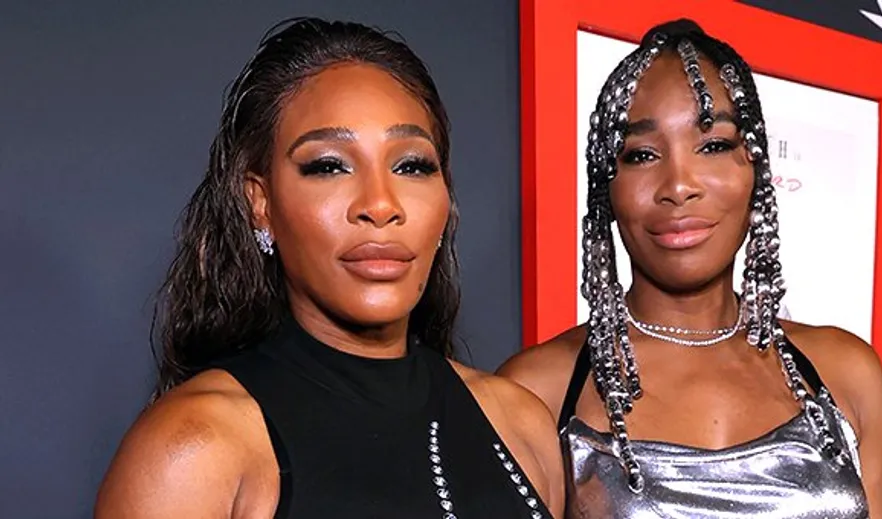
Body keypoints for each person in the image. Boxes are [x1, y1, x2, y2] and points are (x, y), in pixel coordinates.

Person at [96, 18, 562, 519]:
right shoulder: (194, 450)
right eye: (328, 165)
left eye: (411, 166)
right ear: (260, 203)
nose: (381, 205)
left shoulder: (519, 425)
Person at [498, 19, 882, 519]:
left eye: (713, 145)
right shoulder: (537, 392)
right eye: (641, 154)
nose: (678, 185)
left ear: (757, 172)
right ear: (606, 190)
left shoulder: (846, 374)